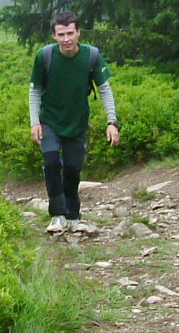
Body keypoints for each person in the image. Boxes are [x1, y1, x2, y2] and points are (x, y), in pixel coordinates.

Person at [29, 12, 120, 233]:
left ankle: (73, 216)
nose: (66, 39)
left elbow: (105, 89)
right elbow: (35, 90)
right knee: (51, 162)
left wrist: (112, 122)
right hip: (49, 120)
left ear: (79, 32)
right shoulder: (45, 56)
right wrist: (34, 122)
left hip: (77, 122)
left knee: (72, 169)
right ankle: (57, 215)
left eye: (70, 33)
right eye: (61, 34)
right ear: (54, 36)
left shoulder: (92, 56)